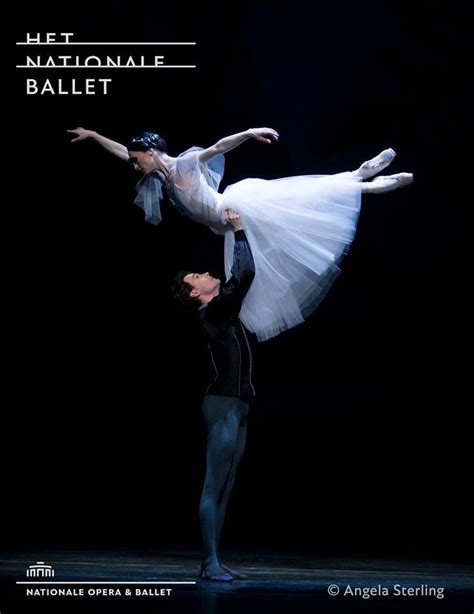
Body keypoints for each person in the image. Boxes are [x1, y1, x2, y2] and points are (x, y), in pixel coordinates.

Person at [68, 126, 414, 341]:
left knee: (301, 200)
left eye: (137, 158)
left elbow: (216, 148)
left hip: (235, 209)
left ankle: (365, 180)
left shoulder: (182, 165)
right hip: (227, 224)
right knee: (294, 212)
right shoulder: (158, 175)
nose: (134, 164)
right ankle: (362, 180)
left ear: (151, 152)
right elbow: (120, 154)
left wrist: (248, 133)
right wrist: (96, 136)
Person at [172, 208, 256, 582]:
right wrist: (238, 230)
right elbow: (246, 275)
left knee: (228, 483)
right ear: (195, 293)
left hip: (238, 403)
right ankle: (209, 562)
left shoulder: (220, 312)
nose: (207, 273)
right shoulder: (214, 312)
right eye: (199, 276)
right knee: (214, 481)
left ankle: (215, 559)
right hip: (222, 402)